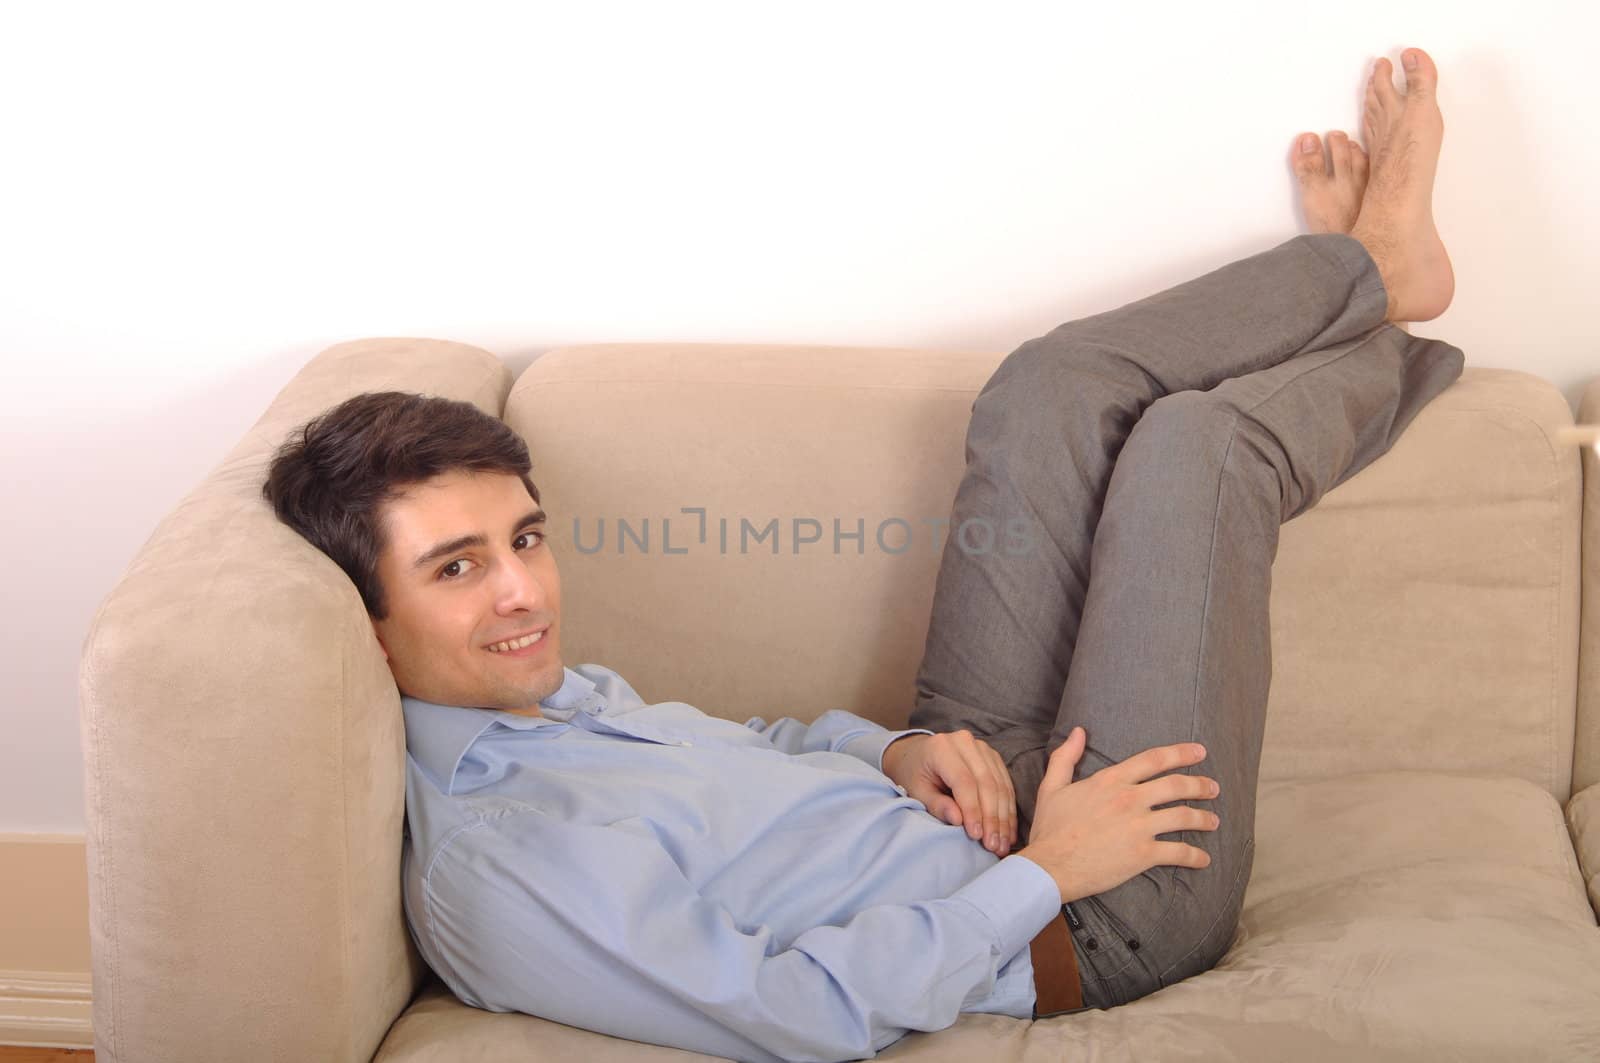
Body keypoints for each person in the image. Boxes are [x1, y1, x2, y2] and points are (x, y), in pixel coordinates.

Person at [263, 47, 1462, 1063]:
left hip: (970, 783)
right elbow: (800, 1009)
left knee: (1043, 389)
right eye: (456, 568)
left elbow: (765, 753)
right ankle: (1374, 291)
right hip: (1088, 912)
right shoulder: (501, 868)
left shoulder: (551, 701)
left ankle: (1358, 280)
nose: (524, 589)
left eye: (521, 538)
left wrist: (895, 751)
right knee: (1190, 452)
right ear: (367, 616)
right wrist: (1049, 870)